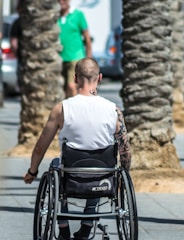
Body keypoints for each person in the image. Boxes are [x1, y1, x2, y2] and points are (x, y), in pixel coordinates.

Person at [24, 57, 131, 240]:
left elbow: (41, 146)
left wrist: (32, 171)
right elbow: (125, 149)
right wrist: (124, 175)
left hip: (71, 176)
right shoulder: (113, 111)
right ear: (100, 78)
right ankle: (87, 227)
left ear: (75, 78)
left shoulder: (62, 109)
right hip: (102, 178)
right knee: (99, 166)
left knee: (57, 165)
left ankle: (63, 227)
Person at [58, 0, 92, 98]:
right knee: (62, 90)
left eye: (63, 0)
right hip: (59, 59)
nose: (61, 2)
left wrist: (89, 59)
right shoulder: (55, 17)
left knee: (71, 86)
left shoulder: (78, 15)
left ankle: (74, 111)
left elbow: (87, 38)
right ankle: (66, 111)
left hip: (75, 57)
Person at [10, 0, 23, 90]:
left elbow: (13, 44)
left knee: (23, 86)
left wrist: (18, 54)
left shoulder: (17, 22)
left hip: (23, 60)